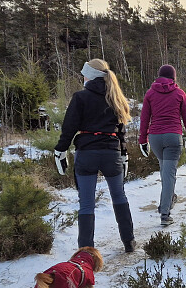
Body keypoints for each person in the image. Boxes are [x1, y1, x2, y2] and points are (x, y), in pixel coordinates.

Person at [54, 59, 136, 252]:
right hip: (111, 153)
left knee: (86, 204)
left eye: (84, 73)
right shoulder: (115, 97)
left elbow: (69, 127)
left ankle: (85, 252)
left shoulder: (80, 97)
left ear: (89, 76)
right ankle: (129, 242)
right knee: (119, 196)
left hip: (87, 153)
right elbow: (121, 131)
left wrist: (61, 150)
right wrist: (123, 154)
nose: (82, 76)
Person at [138, 64, 186, 227]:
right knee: (169, 174)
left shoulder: (150, 94)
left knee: (165, 170)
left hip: (155, 137)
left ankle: (169, 198)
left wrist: (143, 140)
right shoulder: (179, 93)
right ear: (173, 78)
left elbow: (144, 119)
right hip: (172, 137)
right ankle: (165, 213)